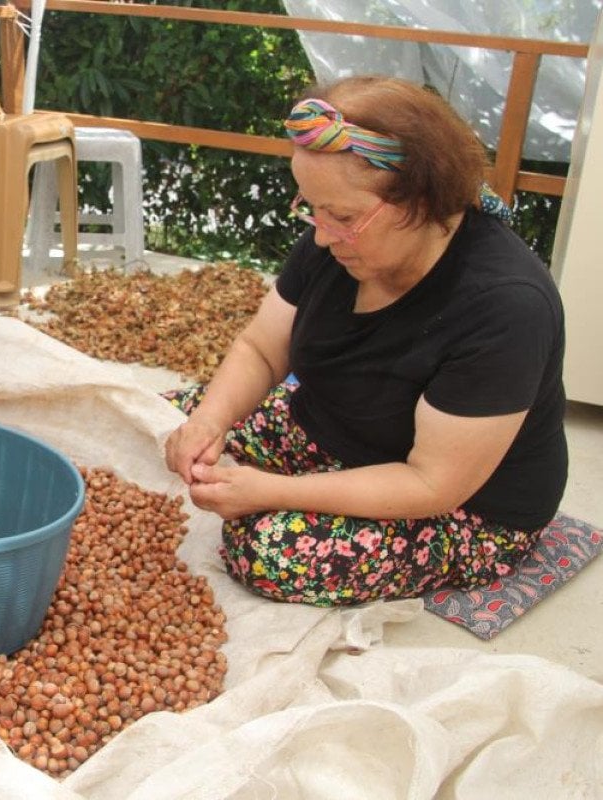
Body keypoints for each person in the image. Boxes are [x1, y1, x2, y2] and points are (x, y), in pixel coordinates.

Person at [164, 76, 567, 606]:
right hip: (334, 432)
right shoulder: (333, 239)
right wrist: (209, 422)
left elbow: (432, 485)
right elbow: (261, 349)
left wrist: (271, 492)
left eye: (344, 217)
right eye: (312, 208)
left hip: (460, 506)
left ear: (417, 201)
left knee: (267, 551)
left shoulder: (505, 307)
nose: (323, 235)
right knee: (169, 419)